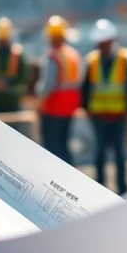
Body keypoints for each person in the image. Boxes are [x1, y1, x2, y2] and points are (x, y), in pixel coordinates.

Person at [81, 19, 127, 195]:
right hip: (98, 115)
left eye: (105, 42)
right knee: (100, 153)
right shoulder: (92, 61)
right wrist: (86, 108)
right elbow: (86, 87)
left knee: (120, 153)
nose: (103, 45)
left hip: (118, 115)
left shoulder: (122, 60)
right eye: (100, 43)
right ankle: (100, 188)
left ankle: (122, 188)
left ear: (111, 41)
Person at [35, 15, 83, 164]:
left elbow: (47, 85)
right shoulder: (73, 55)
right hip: (69, 108)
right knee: (64, 144)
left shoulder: (53, 57)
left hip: (53, 108)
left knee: (52, 147)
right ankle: (69, 179)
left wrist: (39, 103)